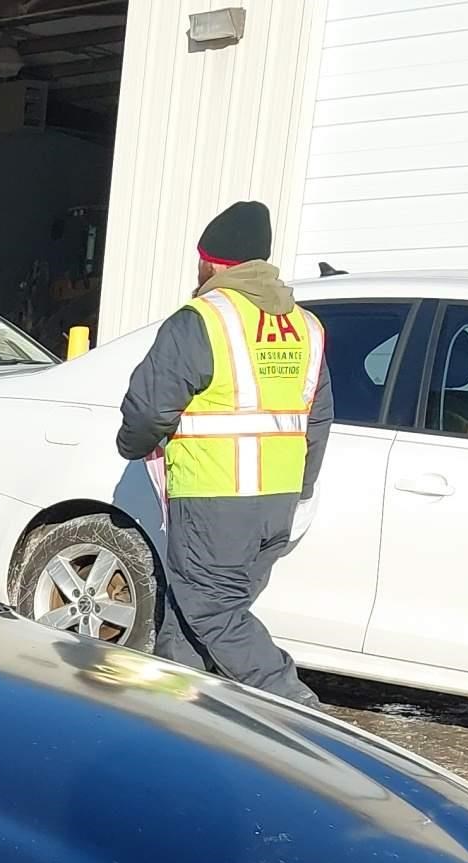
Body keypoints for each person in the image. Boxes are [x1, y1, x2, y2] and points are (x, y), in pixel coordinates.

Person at [116, 200, 331, 704]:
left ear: (213, 261)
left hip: (215, 497)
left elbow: (149, 409)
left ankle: (298, 706)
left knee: (211, 609)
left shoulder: (204, 318)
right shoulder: (306, 326)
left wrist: (131, 445)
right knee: (194, 612)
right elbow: (316, 420)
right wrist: (301, 487)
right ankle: (172, 716)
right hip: (274, 500)